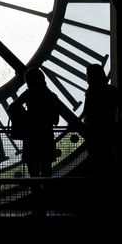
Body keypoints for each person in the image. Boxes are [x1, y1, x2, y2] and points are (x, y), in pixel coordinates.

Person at [9, 67, 78, 214]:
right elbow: (55, 119)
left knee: (33, 174)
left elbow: (12, 108)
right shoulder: (50, 96)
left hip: (31, 138)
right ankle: (45, 203)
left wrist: (26, 117)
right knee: (46, 172)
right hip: (46, 137)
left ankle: (37, 204)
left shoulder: (28, 94)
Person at [81, 64, 122, 179]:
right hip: (107, 131)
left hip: (93, 132)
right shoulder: (111, 91)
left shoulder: (91, 93)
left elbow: (86, 112)